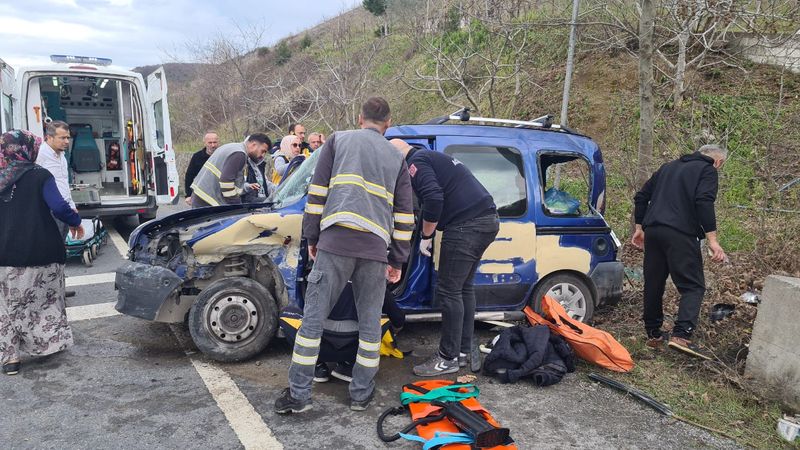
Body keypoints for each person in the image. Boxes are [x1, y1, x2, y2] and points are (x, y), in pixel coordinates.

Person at [275, 97, 414, 414]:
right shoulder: (396, 158)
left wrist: (313, 236)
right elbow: (405, 217)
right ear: (388, 124)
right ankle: (361, 395)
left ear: (360, 117)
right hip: (375, 251)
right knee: (369, 327)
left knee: (312, 323)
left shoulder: (338, 140)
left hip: (335, 242)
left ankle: (299, 395)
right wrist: (396, 260)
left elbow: (317, 194)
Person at [389, 139, 499, 377]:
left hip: (465, 226)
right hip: (486, 220)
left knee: (449, 290)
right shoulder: (430, 157)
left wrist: (427, 236)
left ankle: (447, 358)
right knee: (463, 288)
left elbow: (434, 198)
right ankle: (461, 352)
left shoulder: (415, 163)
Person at [632, 144, 728, 359]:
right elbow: (704, 201)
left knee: (654, 283)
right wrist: (713, 240)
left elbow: (641, 196)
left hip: (654, 231)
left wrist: (639, 227)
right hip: (680, 233)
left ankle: (653, 334)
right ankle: (681, 336)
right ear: (718, 161)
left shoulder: (668, 167)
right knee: (693, 286)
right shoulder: (708, 170)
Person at [0, 130, 83, 376]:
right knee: (43, 302)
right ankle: (45, 344)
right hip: (41, 252)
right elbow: (59, 206)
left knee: (6, 307)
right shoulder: (39, 175)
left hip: (4, 255)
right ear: (28, 149)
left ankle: (10, 358)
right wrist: (76, 221)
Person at [189, 133, 270, 208]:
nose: (262, 155)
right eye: (263, 151)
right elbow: (226, 183)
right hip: (208, 201)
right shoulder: (239, 154)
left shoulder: (232, 147)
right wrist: (237, 207)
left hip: (202, 197)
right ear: (254, 145)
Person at [184, 131, 220, 206]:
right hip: (200, 196)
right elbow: (189, 176)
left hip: (219, 196)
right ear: (205, 143)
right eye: (210, 143)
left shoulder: (223, 156)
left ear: (218, 142)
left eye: (215, 142)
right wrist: (188, 195)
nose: (213, 145)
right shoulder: (197, 157)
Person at [241, 135, 275, 204]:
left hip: (263, 206)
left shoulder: (259, 165)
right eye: (262, 151)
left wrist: (281, 190)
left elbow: (265, 184)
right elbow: (240, 188)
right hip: (250, 209)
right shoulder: (243, 164)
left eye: (265, 152)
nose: (263, 155)